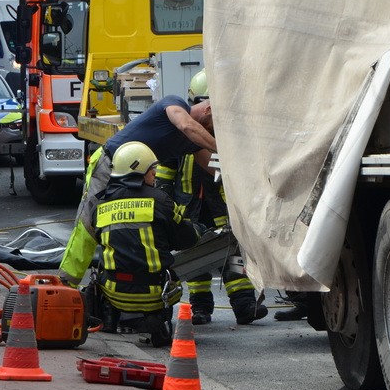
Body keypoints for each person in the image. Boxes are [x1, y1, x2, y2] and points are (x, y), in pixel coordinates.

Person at [57, 94, 217, 286]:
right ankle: (66, 284)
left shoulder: (194, 143)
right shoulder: (175, 103)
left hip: (137, 176)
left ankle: (121, 280)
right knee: (88, 225)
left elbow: (213, 167)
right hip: (110, 163)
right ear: (208, 110)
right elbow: (186, 126)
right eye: (215, 125)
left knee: (133, 223)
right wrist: (222, 149)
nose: (215, 132)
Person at [165, 69, 267, 325]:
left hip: (220, 204)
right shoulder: (182, 129)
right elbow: (167, 166)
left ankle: (245, 305)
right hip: (189, 205)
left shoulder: (228, 132)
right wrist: (163, 196)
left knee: (233, 252)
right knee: (194, 254)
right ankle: (200, 308)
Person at [91, 142, 197, 347]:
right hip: (154, 294)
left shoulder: (101, 205)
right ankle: (157, 320)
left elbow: (99, 238)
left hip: (114, 292)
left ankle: (111, 317)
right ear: (138, 170)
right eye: (152, 169)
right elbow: (187, 240)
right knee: (171, 276)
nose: (155, 174)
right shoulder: (161, 200)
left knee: (103, 265)